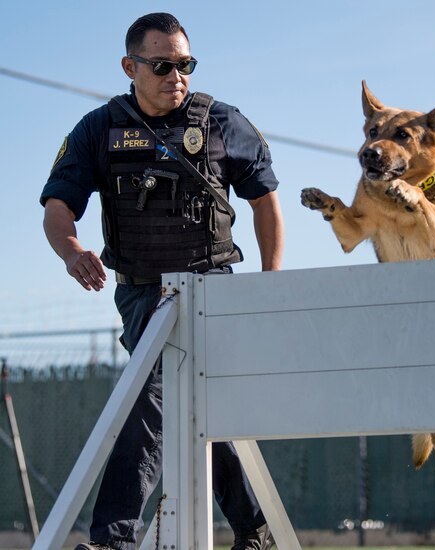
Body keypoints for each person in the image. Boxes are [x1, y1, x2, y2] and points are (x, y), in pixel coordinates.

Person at [40, 13, 283, 550]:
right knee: (186, 404)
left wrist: (270, 283)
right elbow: (59, 208)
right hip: (143, 292)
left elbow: (265, 200)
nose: (177, 75)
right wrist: (72, 251)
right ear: (130, 66)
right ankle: (254, 530)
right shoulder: (98, 129)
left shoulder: (222, 122)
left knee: (159, 400)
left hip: (213, 287)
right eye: (163, 65)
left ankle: (113, 540)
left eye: (185, 64)